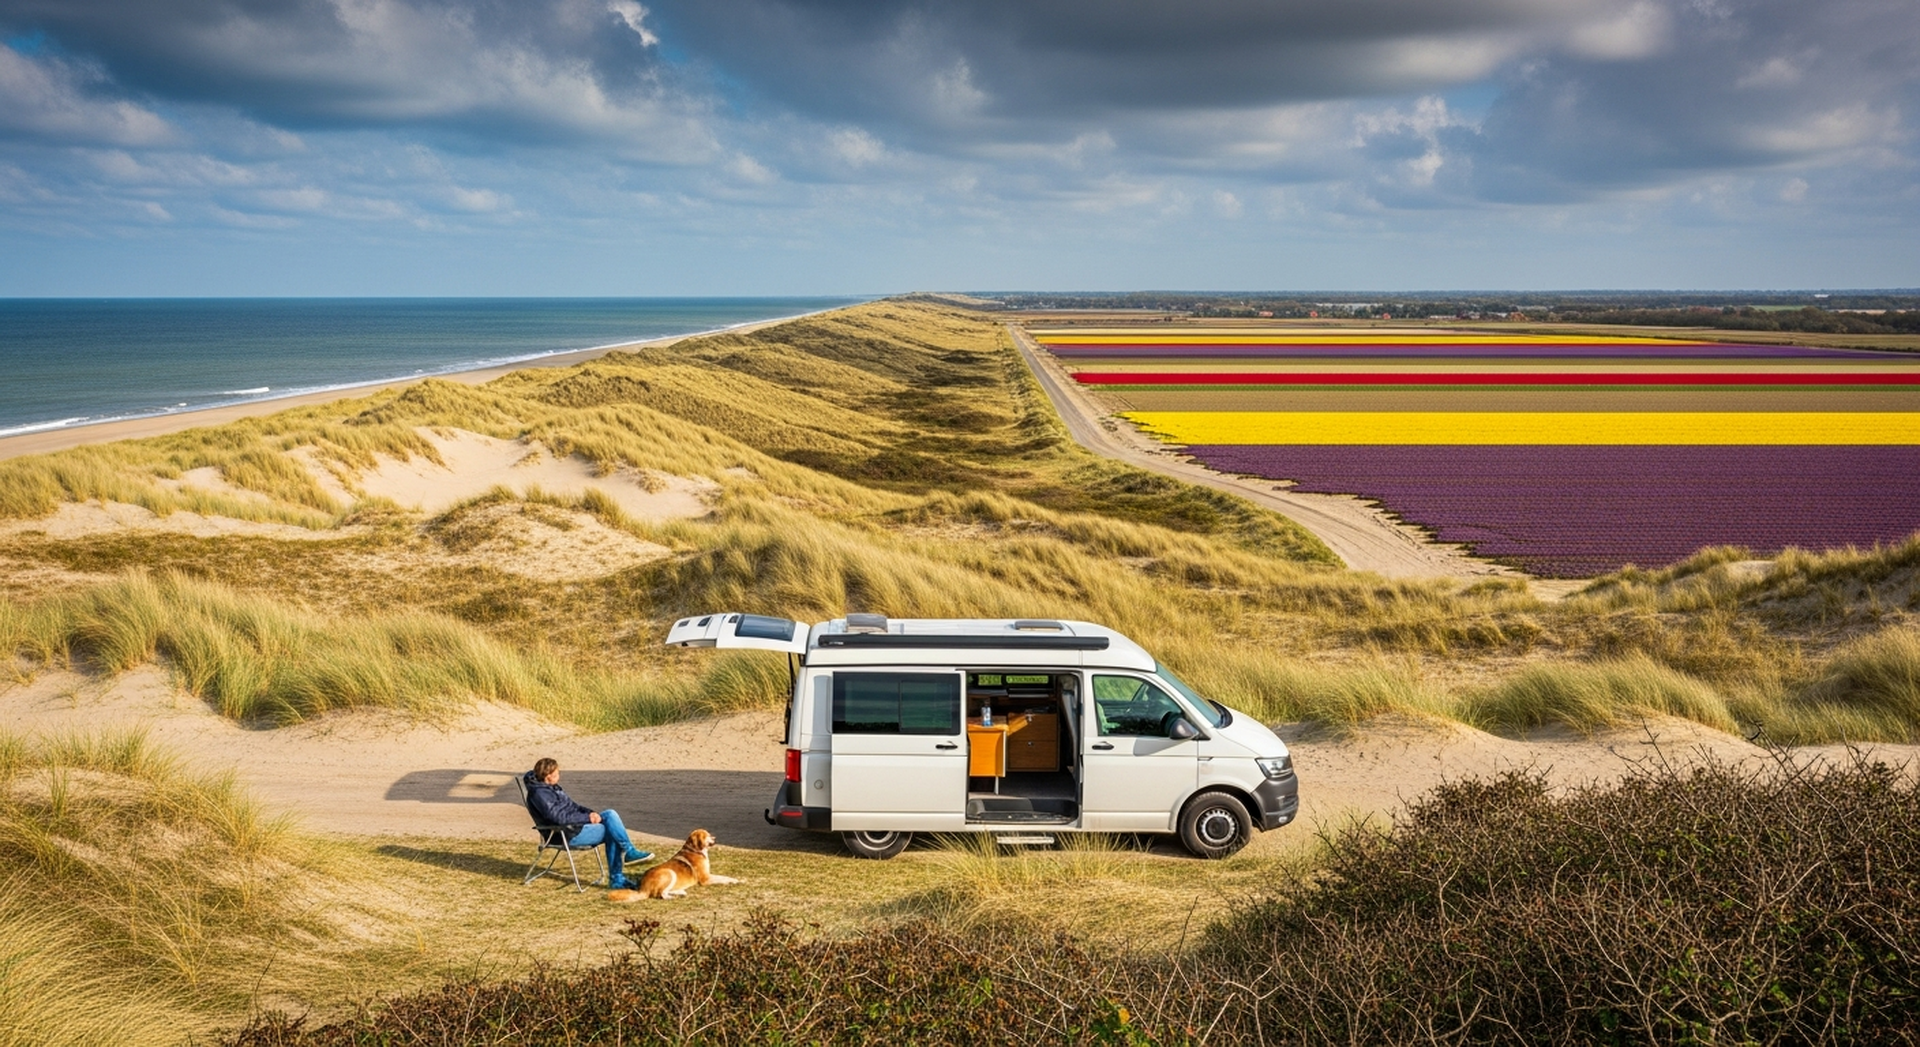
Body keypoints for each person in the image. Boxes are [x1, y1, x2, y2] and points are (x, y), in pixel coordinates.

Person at [523, 757, 651, 890]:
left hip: (574, 827)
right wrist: (587, 818)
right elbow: (560, 818)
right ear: (548, 776)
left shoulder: (551, 788)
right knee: (611, 830)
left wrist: (591, 813)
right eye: (556, 774)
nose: (559, 776)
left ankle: (627, 856)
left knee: (609, 815)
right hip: (564, 834)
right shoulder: (539, 794)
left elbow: (573, 806)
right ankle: (619, 873)